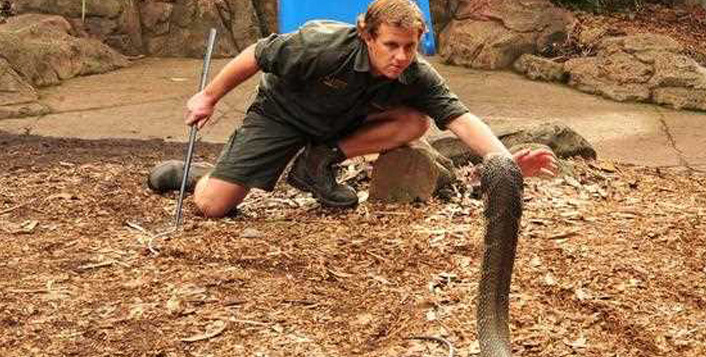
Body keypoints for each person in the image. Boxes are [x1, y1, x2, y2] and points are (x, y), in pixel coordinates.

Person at [147, 0, 556, 217]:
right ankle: (197, 176)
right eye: (391, 46)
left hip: (340, 125)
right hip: (282, 114)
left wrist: (503, 162)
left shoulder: (417, 73)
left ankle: (317, 162)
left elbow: (460, 119)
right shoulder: (322, 45)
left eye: (410, 46)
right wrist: (209, 96)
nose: (400, 56)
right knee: (214, 207)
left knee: (415, 121)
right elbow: (257, 53)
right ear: (366, 36)